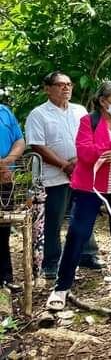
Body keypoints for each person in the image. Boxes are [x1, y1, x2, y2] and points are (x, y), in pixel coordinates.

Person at [46, 81, 111, 310]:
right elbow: (85, 153)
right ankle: (61, 286)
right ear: (103, 101)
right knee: (78, 234)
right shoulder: (88, 122)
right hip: (89, 189)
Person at [26, 71, 103, 280]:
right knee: (54, 218)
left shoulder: (79, 110)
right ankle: (51, 262)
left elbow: (91, 137)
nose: (66, 88)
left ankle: (88, 254)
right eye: (60, 85)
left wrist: (80, 161)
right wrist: (64, 165)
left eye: (68, 84)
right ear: (47, 89)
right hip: (54, 175)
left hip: (82, 170)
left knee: (84, 214)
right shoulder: (39, 114)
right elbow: (37, 144)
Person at [0, 104, 25, 291]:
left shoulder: (4, 111)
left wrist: (8, 162)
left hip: (5, 178)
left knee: (3, 229)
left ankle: (5, 278)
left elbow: (19, 140)